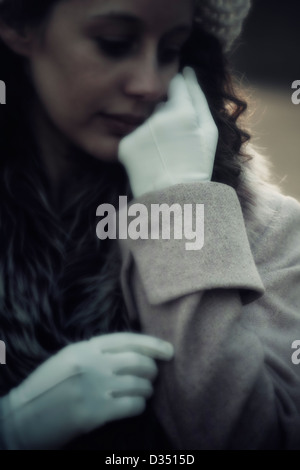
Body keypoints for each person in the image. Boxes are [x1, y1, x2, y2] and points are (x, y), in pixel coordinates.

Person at [0, 0, 300, 450]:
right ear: (20, 25)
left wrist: (180, 206)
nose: (150, 83)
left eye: (170, 50)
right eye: (114, 44)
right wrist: (13, 428)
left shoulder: (269, 229)